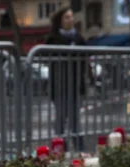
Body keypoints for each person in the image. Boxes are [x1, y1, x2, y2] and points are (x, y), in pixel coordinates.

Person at [46, 7, 86, 152]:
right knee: (61, 120)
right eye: (67, 17)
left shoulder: (78, 38)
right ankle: (61, 151)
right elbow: (47, 57)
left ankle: (81, 150)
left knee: (75, 120)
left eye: (71, 17)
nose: (71, 20)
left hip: (75, 85)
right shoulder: (53, 38)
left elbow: (84, 61)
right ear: (60, 20)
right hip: (59, 86)